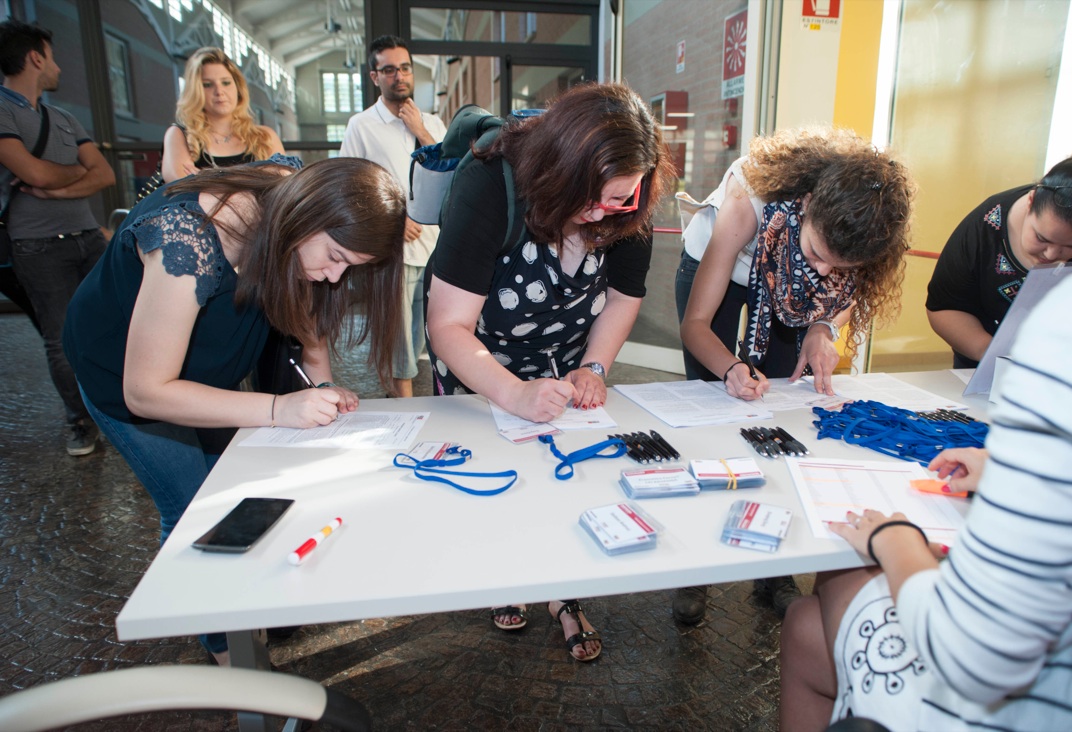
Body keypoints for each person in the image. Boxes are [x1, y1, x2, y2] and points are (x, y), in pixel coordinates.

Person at [62, 156, 406, 663]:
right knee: (193, 510)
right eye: (335, 257)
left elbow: (306, 305)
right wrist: (278, 407)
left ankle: (252, 606)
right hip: (125, 380)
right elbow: (147, 390)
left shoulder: (293, 207)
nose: (335, 277)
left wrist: (323, 380)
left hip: (205, 376)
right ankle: (229, 652)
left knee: (244, 492)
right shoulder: (188, 240)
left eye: (349, 267)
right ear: (305, 216)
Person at [779, 263, 1072, 732]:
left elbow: (977, 656)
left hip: (1024, 705)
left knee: (844, 565)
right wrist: (1012, 472)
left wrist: (896, 542)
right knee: (806, 627)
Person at [424, 82, 675, 661]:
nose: (602, 214)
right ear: (560, 171)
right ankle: (506, 572)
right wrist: (513, 393)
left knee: (563, 469)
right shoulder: (491, 183)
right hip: (479, 351)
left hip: (562, 349)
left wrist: (594, 366)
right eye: (592, 199)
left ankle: (563, 590)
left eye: (619, 200)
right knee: (495, 468)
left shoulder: (631, 196)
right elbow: (449, 326)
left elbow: (623, 296)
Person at [673, 128, 914, 624]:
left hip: (788, 289)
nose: (824, 271)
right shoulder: (749, 198)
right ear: (805, 205)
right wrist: (732, 368)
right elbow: (696, 325)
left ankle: (776, 567)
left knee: (779, 429)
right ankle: (696, 566)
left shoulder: (857, 232)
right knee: (712, 414)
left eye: (838, 266)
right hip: (723, 264)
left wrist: (823, 327)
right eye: (817, 253)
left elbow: (843, 294)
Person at [0, 19, 117, 457]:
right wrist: (71, 176)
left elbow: (103, 173)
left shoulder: (63, 118)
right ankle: (81, 422)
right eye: (52, 57)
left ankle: (121, 409)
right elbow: (35, 173)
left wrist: (57, 189)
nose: (58, 68)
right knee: (62, 337)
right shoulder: (2, 112)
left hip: (89, 237)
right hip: (37, 246)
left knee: (115, 323)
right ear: (35, 58)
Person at [926, 129, 1072, 368]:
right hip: (988, 366)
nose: (1051, 254)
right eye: (1041, 238)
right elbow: (945, 306)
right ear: (1031, 201)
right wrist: (997, 356)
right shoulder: (987, 224)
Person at [340, 35, 447, 398]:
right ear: (375, 77)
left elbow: (452, 172)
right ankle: (407, 417)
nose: (399, 76)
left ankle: (407, 408)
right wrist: (393, 219)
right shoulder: (361, 125)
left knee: (425, 340)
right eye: (389, 70)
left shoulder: (432, 123)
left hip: (434, 250)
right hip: (392, 253)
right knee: (400, 350)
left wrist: (420, 131)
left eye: (404, 68)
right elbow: (351, 186)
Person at [160, 47, 285, 183]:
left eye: (226, 83)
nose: (219, 91)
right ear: (195, 91)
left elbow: (284, 187)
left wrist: (205, 179)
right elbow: (182, 188)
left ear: (238, 88)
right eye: (207, 85)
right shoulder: (179, 136)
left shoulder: (265, 137)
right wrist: (256, 179)